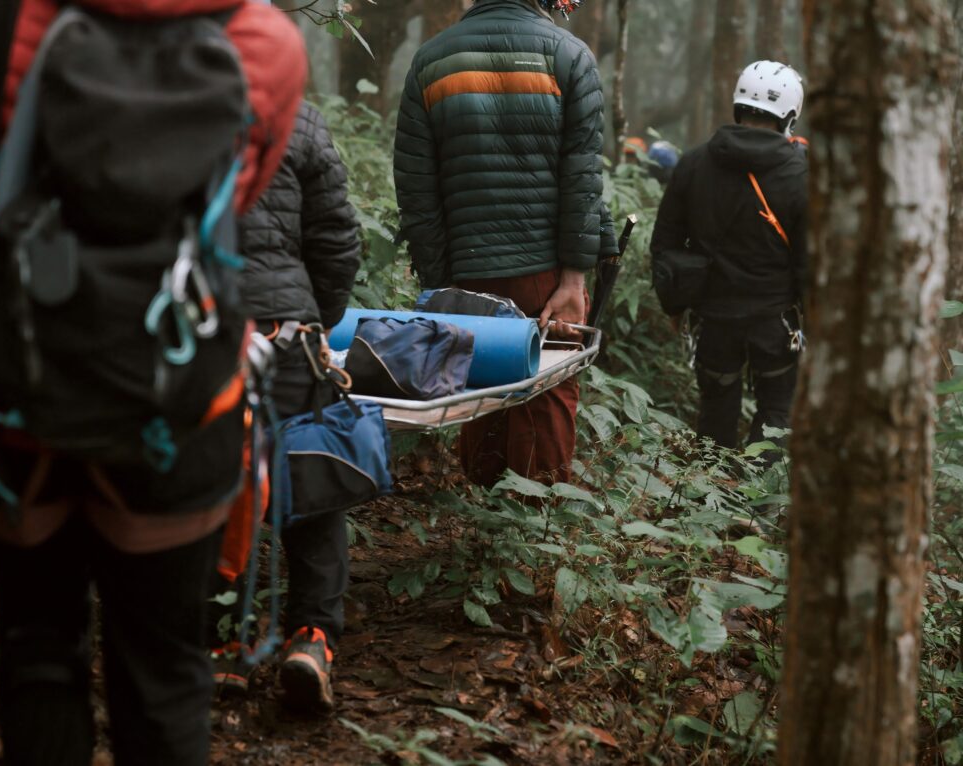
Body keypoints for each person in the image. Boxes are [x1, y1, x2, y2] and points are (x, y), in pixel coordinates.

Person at [0, 2, 306, 764]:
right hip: (175, 404)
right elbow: (229, 206)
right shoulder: (266, 43)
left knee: (37, 645)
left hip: (7, 394)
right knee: (165, 670)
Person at [393, 0, 613, 487]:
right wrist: (573, 278)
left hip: (466, 270)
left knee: (481, 387)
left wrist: (441, 284)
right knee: (547, 390)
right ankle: (534, 522)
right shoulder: (569, 55)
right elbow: (582, 179)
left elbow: (416, 188)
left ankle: (485, 517)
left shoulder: (431, 59)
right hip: (546, 273)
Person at [209, 100, 361, 713]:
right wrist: (312, 317)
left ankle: (226, 643)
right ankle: (312, 641)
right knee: (311, 487)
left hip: (201, 334)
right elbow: (336, 237)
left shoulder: (157, 98)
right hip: (287, 332)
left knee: (211, 487)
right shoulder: (296, 114)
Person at [650, 60, 807, 451]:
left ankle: (710, 485)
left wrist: (674, 305)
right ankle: (758, 489)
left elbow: (665, 243)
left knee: (716, 407)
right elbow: (812, 264)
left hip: (712, 319)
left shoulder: (693, 163)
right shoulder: (803, 176)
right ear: (789, 115)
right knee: (777, 412)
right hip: (776, 325)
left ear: (738, 106)